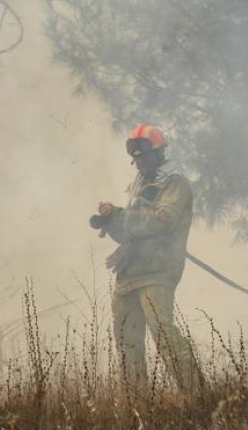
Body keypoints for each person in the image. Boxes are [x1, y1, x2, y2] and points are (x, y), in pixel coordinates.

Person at [90, 124, 205, 393]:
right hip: (128, 275)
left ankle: (199, 398)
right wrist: (112, 221)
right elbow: (131, 232)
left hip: (157, 272)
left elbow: (163, 221)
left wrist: (121, 215)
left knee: (164, 334)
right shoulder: (137, 185)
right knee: (126, 343)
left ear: (159, 152)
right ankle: (137, 406)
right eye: (136, 157)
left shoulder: (175, 184)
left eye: (144, 155)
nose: (139, 162)